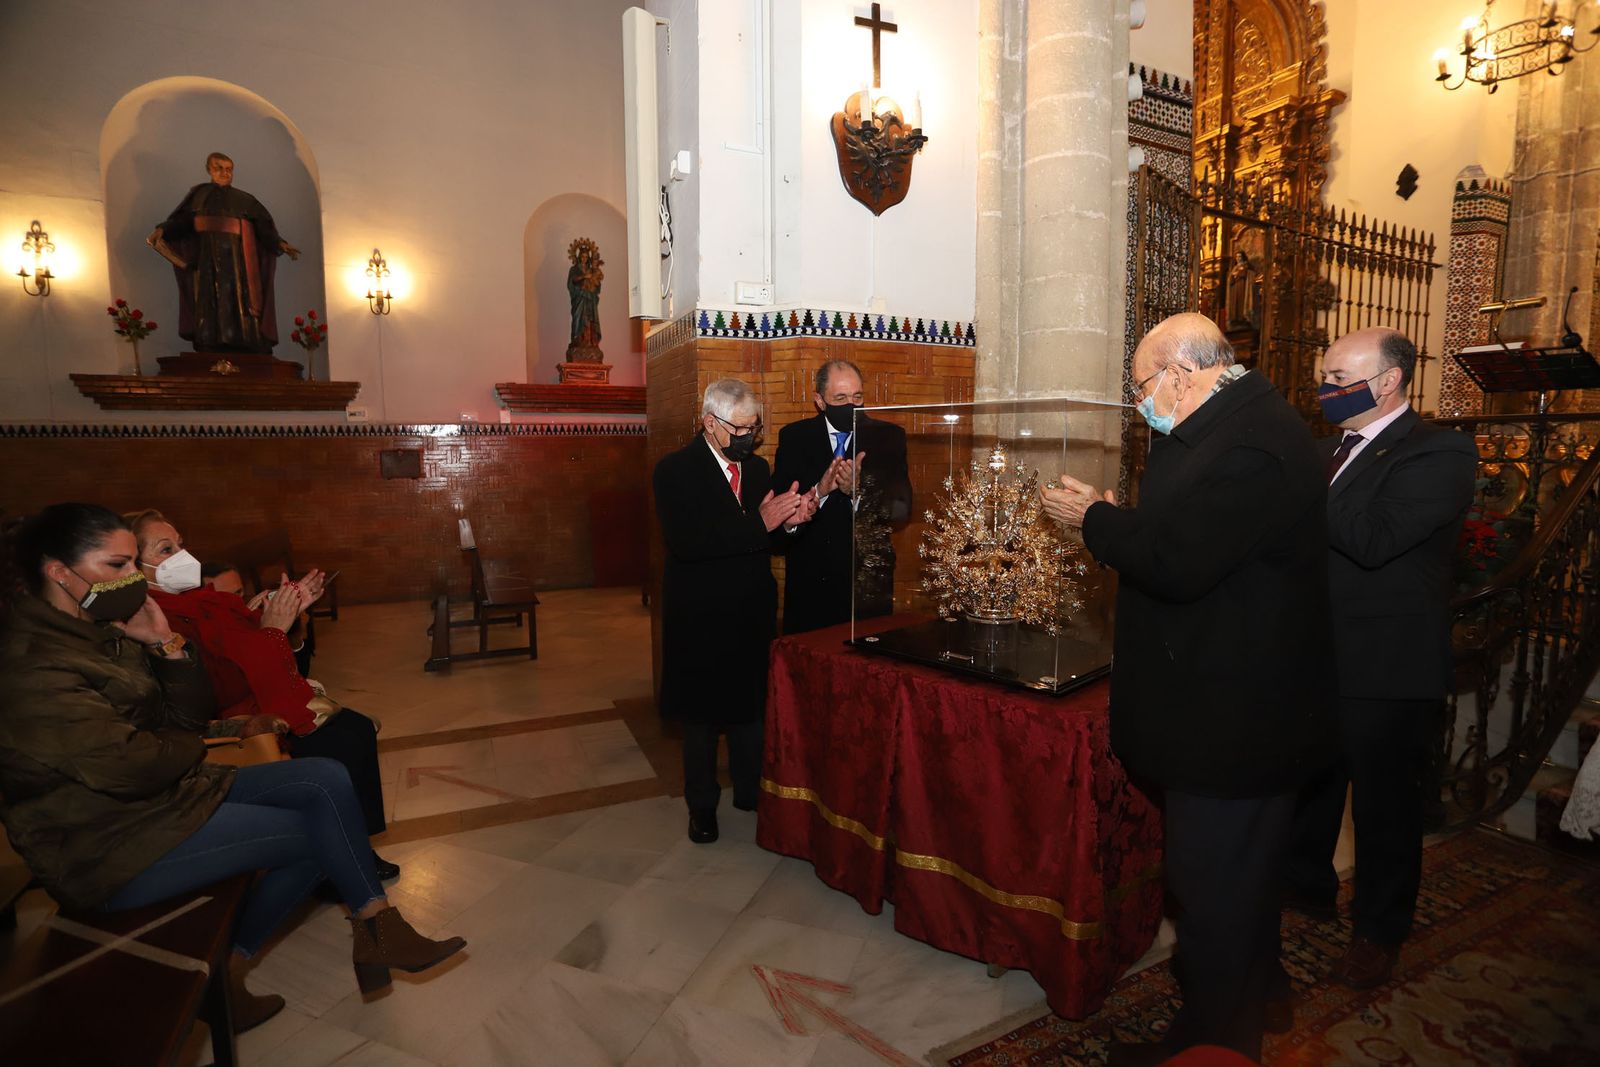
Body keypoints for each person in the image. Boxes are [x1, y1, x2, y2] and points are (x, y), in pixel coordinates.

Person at [0, 505, 464, 1034]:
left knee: (326, 778)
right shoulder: (32, 665)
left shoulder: (103, 628)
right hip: (103, 844)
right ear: (59, 571)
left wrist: (167, 648)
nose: (131, 579)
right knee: (321, 833)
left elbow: (182, 717)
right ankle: (231, 968)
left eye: (133, 563)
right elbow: (130, 766)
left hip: (161, 798)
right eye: (117, 565)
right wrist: (187, 743)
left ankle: (375, 925)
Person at [1040, 313, 1334, 1065]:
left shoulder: (1254, 446)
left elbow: (1180, 559)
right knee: (1241, 880)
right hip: (1225, 706)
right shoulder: (1232, 428)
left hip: (1236, 722)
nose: (1142, 401)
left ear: (1180, 373)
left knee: (1214, 896)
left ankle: (1212, 1045)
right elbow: (1200, 537)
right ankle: (1254, 998)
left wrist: (1095, 519)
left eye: (1141, 385)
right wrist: (1124, 518)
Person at [1284, 328, 1476, 988]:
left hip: (1389, 662)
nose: (1324, 388)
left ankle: (1378, 930)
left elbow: (1374, 538)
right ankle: (1307, 888)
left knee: (1384, 810)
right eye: (1324, 376)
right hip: (1315, 653)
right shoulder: (1321, 452)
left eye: (1338, 376)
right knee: (1311, 784)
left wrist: (1295, 483)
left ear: (1388, 381)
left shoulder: (1439, 451)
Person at [124, 511, 398, 881]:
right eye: (165, 549)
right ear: (135, 565)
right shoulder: (156, 617)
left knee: (356, 728)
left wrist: (285, 613)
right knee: (341, 742)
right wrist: (272, 630)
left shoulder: (207, 602)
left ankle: (353, 847)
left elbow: (251, 647)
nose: (181, 556)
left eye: (181, 544)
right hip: (234, 718)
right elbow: (220, 688)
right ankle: (336, 860)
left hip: (261, 696)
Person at [653, 379, 815, 843]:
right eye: (740, 428)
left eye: (755, 427)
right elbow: (688, 544)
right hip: (700, 615)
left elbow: (768, 539)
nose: (750, 436)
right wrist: (760, 523)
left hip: (750, 610)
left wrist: (791, 525)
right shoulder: (674, 472)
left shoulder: (760, 469)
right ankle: (702, 807)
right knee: (702, 719)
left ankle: (750, 791)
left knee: (750, 710)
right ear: (709, 423)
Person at [771, 360, 911, 634]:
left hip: (866, 582)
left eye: (857, 396)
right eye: (841, 398)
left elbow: (902, 510)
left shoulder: (888, 437)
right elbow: (779, 513)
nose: (851, 404)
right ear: (820, 401)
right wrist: (820, 491)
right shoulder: (795, 437)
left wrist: (858, 492)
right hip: (811, 583)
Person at [147, 152, 300, 355]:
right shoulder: (198, 197)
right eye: (219, 168)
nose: (224, 173)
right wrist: (163, 229)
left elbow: (263, 228)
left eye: (229, 169)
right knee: (208, 298)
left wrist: (280, 244)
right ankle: (209, 342)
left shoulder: (245, 200)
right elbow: (183, 223)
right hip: (206, 258)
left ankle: (245, 340)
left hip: (240, 261)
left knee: (241, 299)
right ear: (209, 169)